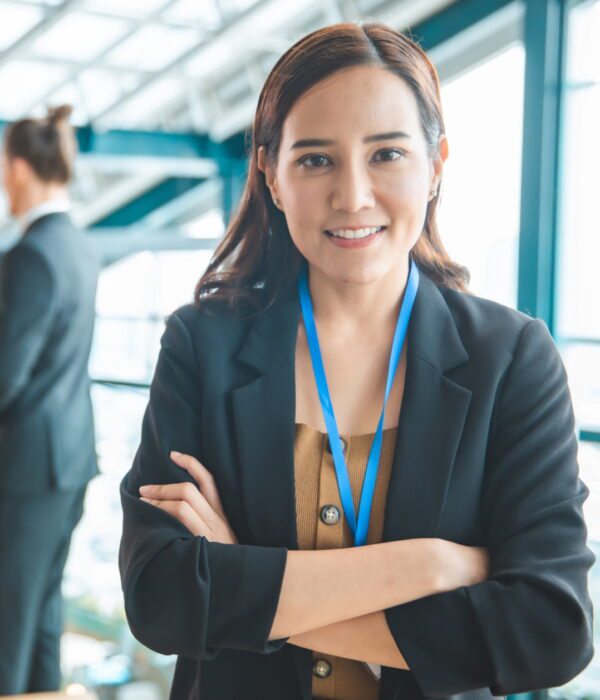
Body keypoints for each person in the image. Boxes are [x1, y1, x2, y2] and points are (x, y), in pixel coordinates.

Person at [118, 22, 595, 700]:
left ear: (435, 167)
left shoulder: (512, 359)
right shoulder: (204, 346)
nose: (353, 197)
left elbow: (550, 629)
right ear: (272, 176)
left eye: (387, 155)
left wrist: (240, 581)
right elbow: (160, 597)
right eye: (315, 159)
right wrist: (429, 566)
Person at [0, 104, 100, 694]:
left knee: (8, 622)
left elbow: (6, 375)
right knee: (39, 616)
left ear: (16, 169)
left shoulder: (30, 255)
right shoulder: (78, 244)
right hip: (67, 460)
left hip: (25, 468)